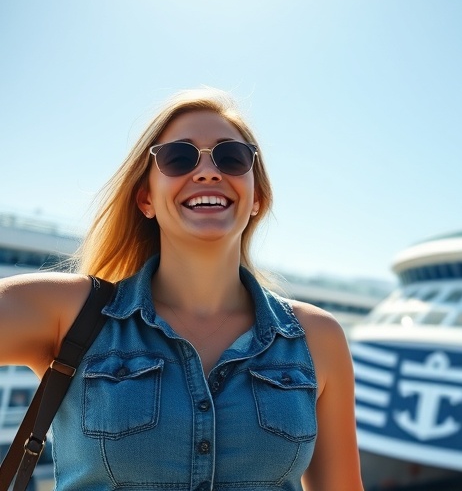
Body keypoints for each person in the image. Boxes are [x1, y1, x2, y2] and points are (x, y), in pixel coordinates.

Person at [0, 88, 363, 490]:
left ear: (257, 197)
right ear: (146, 199)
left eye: (231, 158)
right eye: (178, 157)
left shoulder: (317, 337)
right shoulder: (66, 312)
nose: (208, 172)